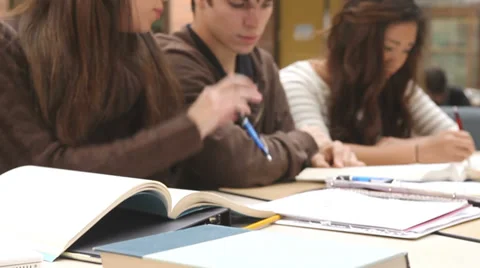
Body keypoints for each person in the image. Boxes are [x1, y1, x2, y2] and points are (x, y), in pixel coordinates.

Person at [0, 0, 263, 189]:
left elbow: (161, 170)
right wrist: (192, 125)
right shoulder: (10, 44)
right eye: (238, 4)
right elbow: (43, 175)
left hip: (129, 230)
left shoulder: (138, 42)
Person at [155, 0, 364, 190]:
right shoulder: (173, 61)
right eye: (238, 4)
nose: (254, 21)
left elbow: (288, 150)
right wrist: (306, 142)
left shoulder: (262, 65)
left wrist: (322, 154)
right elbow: (236, 164)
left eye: (265, 4)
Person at [280, 0, 475, 166]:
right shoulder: (299, 81)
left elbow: (458, 143)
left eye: (407, 50)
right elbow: (321, 152)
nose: (398, 62)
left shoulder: (397, 83)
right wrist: (415, 151)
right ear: (354, 41)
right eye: (388, 48)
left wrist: (397, 147)